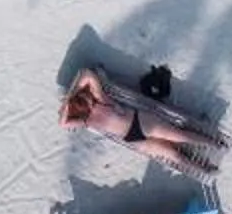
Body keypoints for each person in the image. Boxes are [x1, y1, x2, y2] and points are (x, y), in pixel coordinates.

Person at [60, 66, 221, 170]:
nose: (88, 97)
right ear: (84, 104)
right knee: (178, 141)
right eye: (85, 98)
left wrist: (70, 100)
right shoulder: (99, 101)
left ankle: (208, 157)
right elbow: (86, 75)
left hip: (133, 137)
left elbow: (63, 121)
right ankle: (211, 150)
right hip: (140, 125)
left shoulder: (87, 120)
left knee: (176, 147)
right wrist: (70, 97)